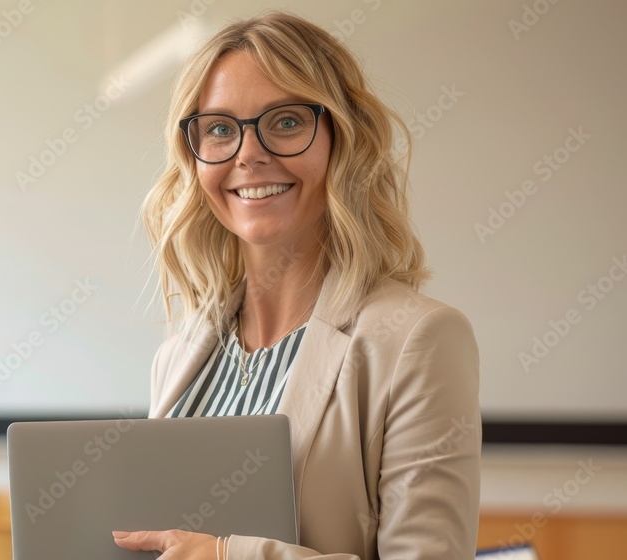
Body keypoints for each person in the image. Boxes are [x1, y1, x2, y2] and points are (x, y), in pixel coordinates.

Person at [112, 11, 481, 560]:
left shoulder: (420, 339)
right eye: (218, 128)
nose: (248, 154)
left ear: (342, 140)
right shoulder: (179, 356)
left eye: (285, 122)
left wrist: (226, 555)